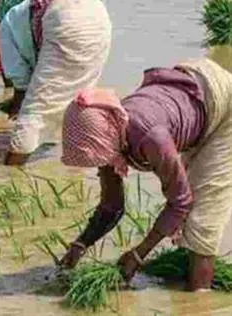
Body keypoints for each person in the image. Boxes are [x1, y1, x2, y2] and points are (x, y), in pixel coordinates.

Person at [58, 58, 232, 291]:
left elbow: (180, 202)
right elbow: (112, 205)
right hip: (192, 85)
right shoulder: (110, 134)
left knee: (201, 221)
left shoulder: (151, 138)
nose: (101, 164)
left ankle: (199, 300)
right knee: (189, 210)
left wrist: (139, 254)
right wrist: (81, 244)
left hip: (223, 104)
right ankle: (182, 278)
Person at [0, 0, 112, 165]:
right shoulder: (32, 8)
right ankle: (80, 166)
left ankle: (10, 174)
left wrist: (17, 105)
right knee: (80, 99)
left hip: (65, 17)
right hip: (97, 11)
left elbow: (20, 80)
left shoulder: (7, 22)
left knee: (34, 110)